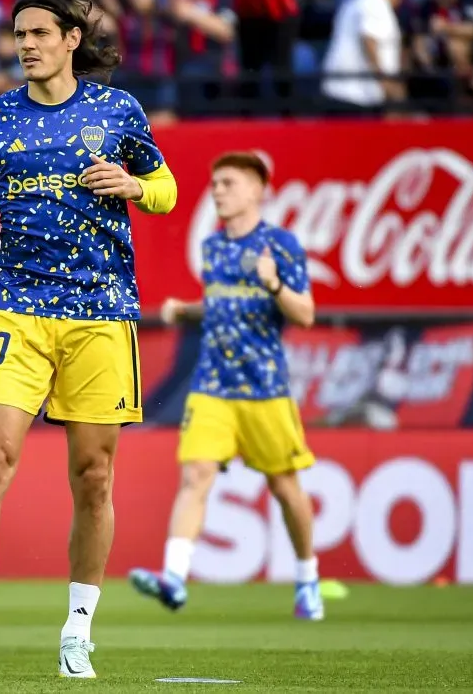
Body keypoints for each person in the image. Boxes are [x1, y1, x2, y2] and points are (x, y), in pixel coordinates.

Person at [0, 0, 178, 679]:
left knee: (93, 477)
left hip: (102, 314)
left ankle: (77, 628)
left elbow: (163, 188)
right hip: (22, 310)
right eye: (19, 35)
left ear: (72, 39)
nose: (27, 45)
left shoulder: (119, 112)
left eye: (40, 33)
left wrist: (134, 185)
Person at [128, 151, 323, 622]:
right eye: (215, 183)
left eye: (228, 183)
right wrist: (188, 309)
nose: (217, 190)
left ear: (257, 190)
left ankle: (307, 576)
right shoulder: (214, 247)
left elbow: (307, 314)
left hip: (265, 388)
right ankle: (174, 578)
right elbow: (224, 304)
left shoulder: (281, 245)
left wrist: (275, 285)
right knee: (196, 478)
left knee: (284, 487)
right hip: (213, 386)